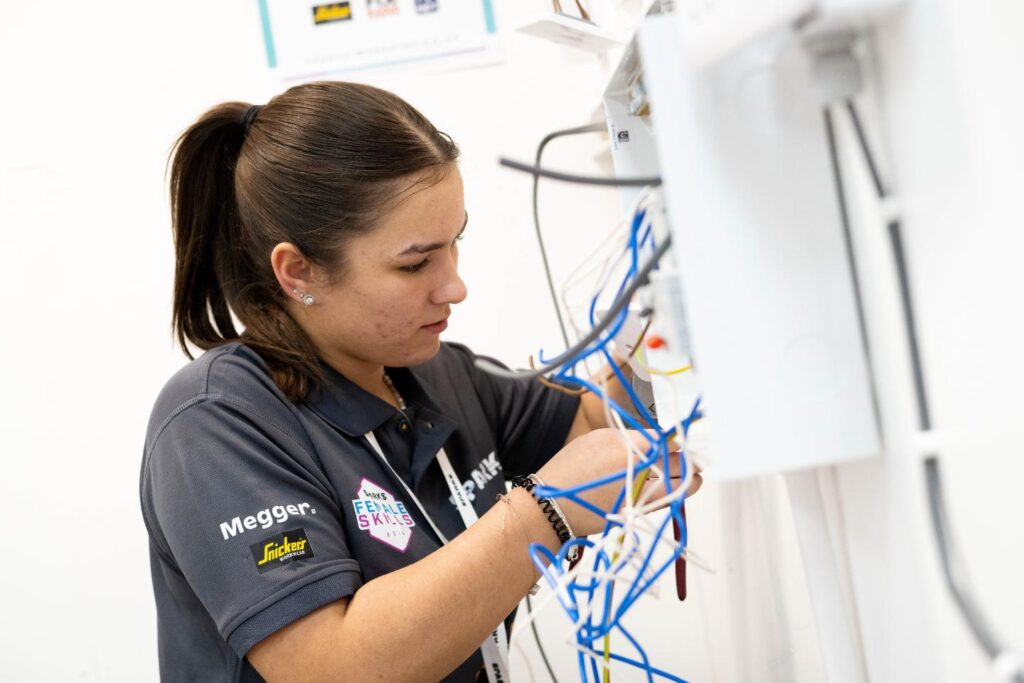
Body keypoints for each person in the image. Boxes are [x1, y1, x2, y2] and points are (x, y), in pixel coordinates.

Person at [140, 80, 697, 683]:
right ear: (298, 270)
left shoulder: (436, 372)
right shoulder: (215, 423)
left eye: (456, 243)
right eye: (414, 263)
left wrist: (647, 327)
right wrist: (543, 511)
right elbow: (331, 667)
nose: (454, 286)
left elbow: (592, 426)